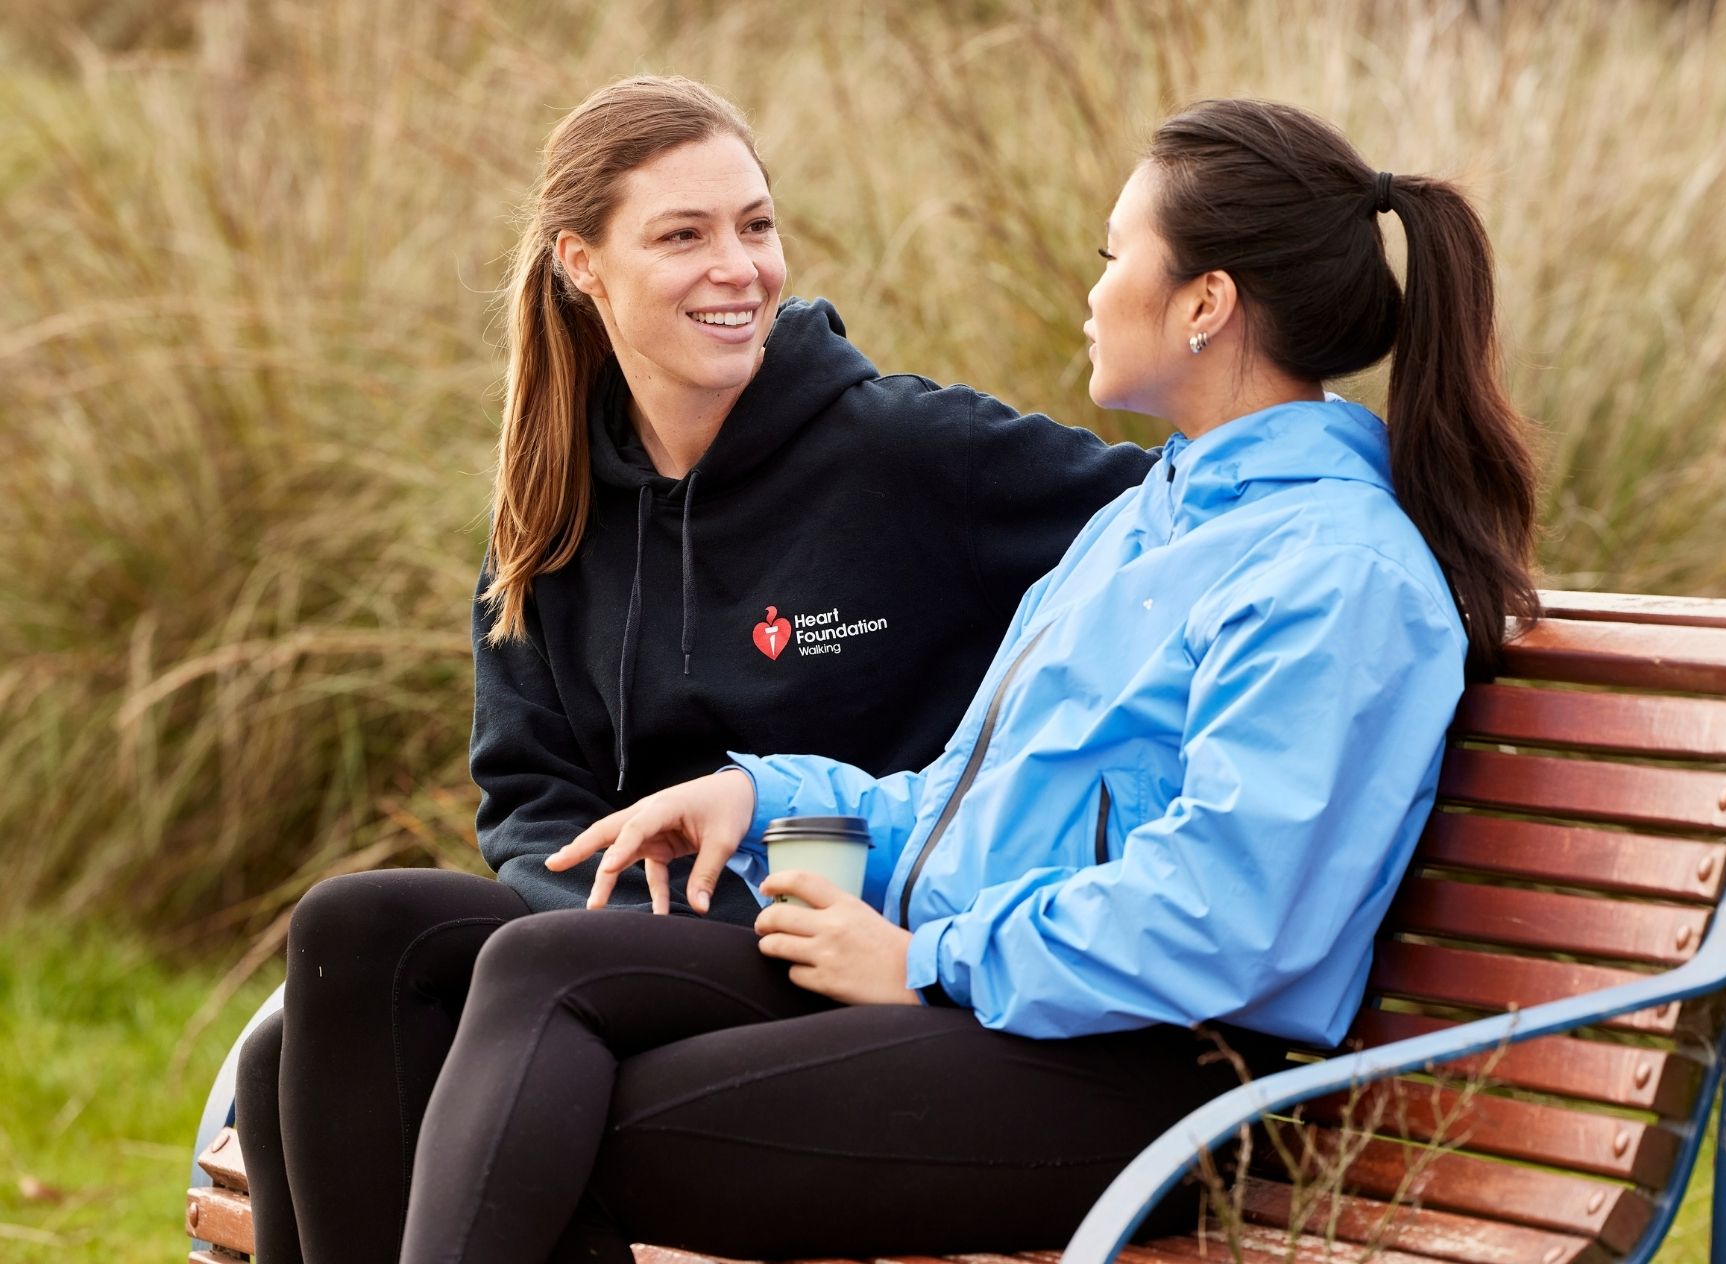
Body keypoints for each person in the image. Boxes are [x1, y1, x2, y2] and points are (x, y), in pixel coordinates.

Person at [391, 98, 1540, 1264]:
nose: (1091, 294)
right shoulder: (1143, 527)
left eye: (1113, 259)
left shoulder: (1332, 570)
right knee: (511, 988)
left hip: (1155, 1070)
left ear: (1206, 303)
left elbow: (1230, 914)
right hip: (1011, 1012)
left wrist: (928, 960)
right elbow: (961, 802)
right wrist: (762, 795)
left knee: (583, 1113)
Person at [229, 75, 1153, 1264]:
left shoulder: (913, 452)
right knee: (347, 942)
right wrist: (625, 919)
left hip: (837, 946)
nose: (742, 267)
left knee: (444, 1031)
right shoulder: (551, 497)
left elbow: (1173, 523)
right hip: (606, 943)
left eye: (756, 225)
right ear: (582, 264)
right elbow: (527, 802)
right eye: (685, 234)